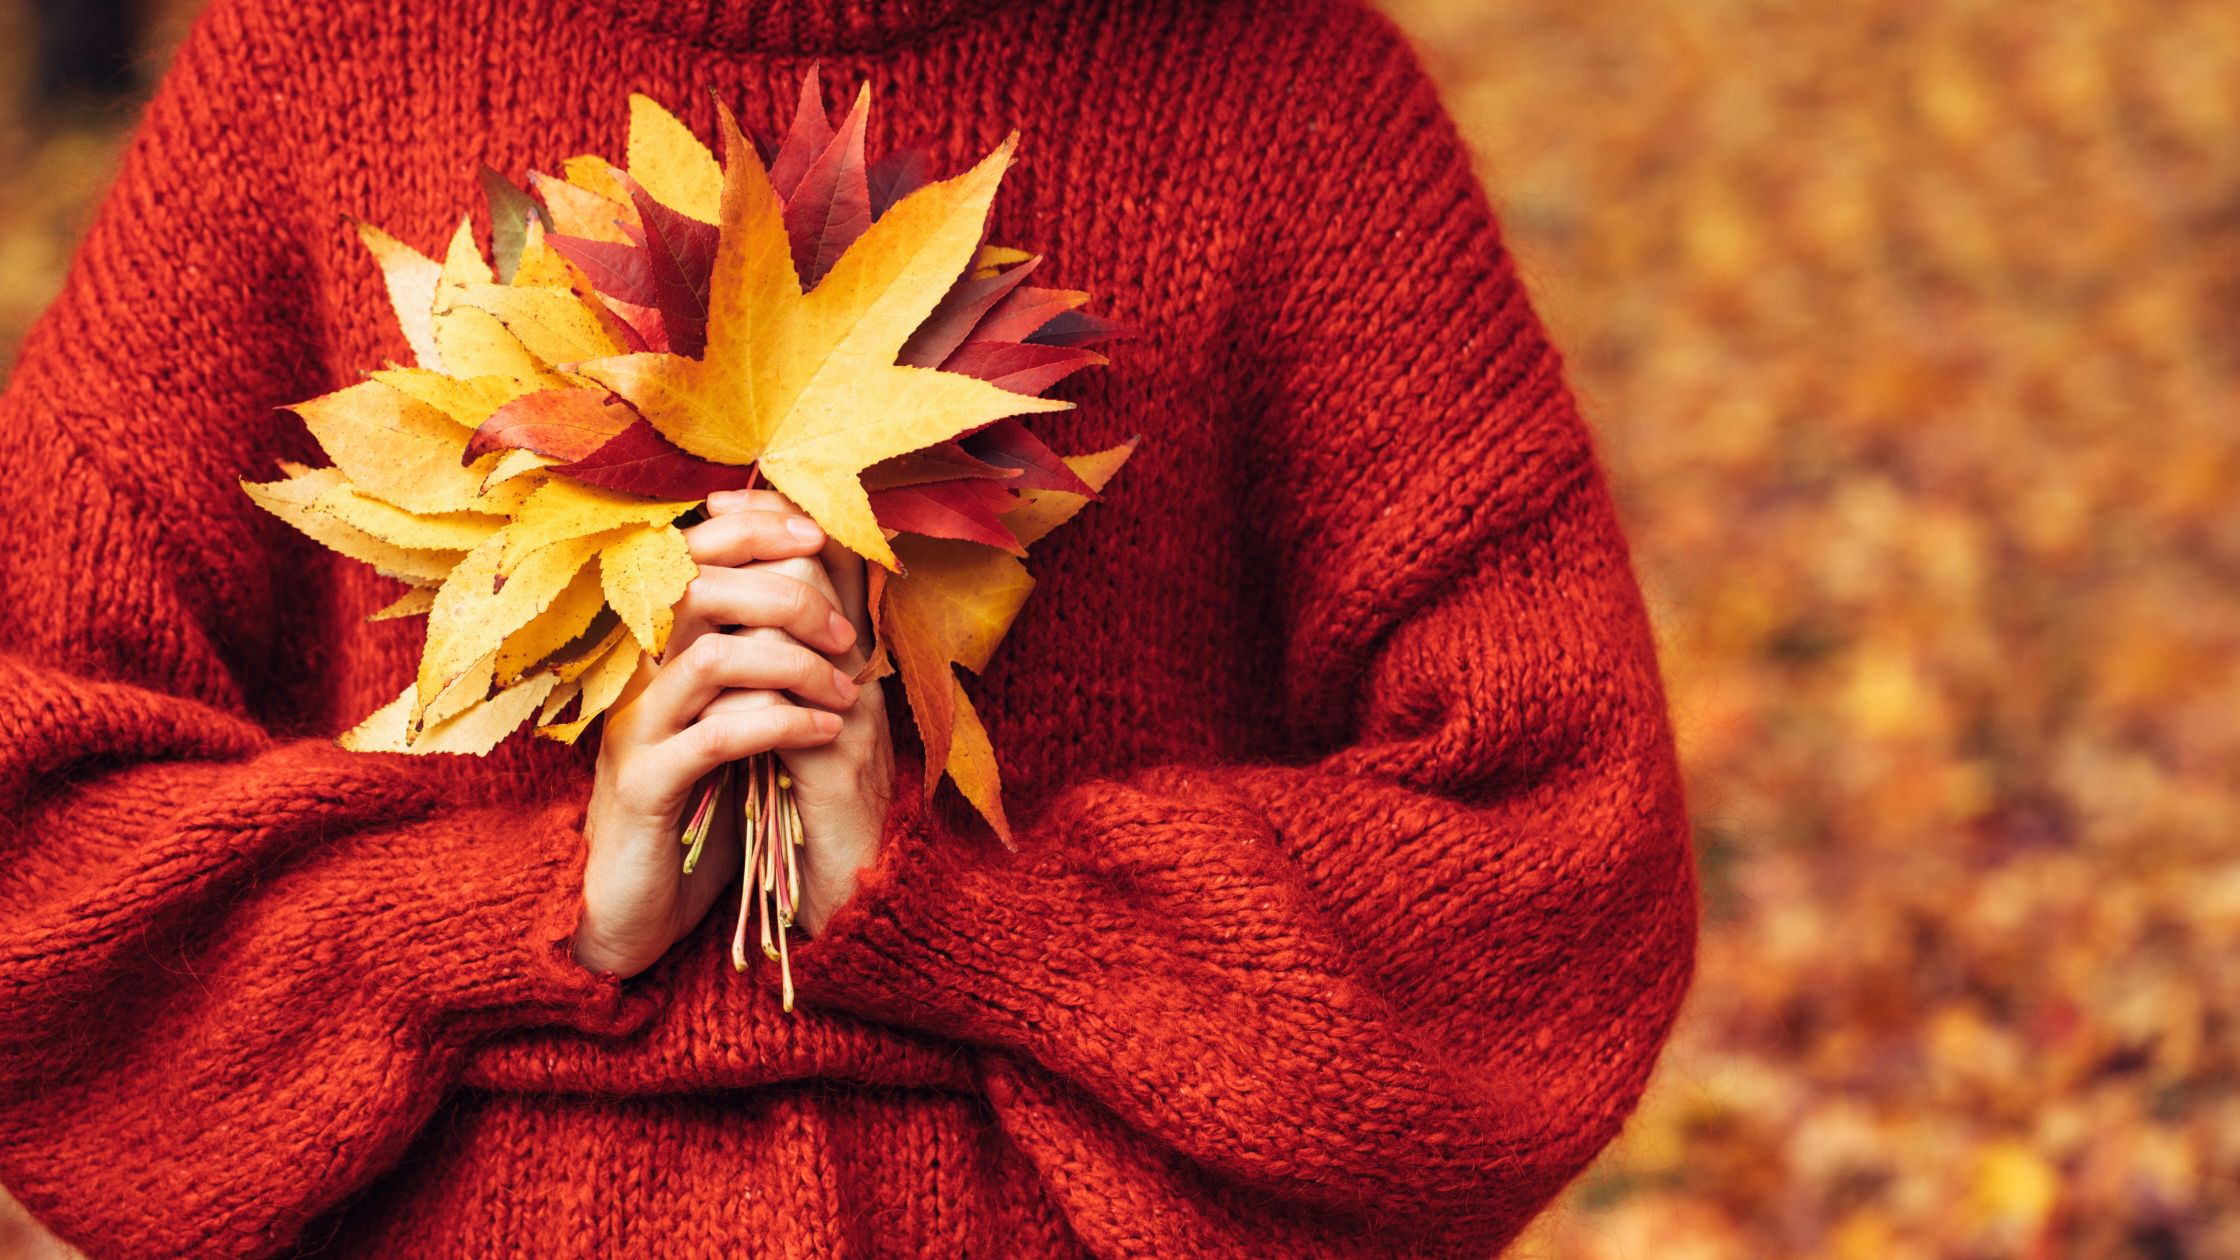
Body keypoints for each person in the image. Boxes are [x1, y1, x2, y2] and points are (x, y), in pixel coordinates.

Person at [0, 0, 1699, 1254]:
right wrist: (527, 910)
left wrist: (999, 923)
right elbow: (33, 840)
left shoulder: (1283, 99)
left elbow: (1558, 869)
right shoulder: (320, 62)